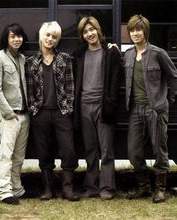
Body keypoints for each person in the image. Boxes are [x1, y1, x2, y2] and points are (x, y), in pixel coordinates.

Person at [124, 15, 177, 203]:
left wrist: (168, 100)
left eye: (138, 29)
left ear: (145, 31)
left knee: (159, 150)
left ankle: (160, 189)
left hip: (156, 109)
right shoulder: (128, 54)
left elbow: (173, 76)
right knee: (133, 152)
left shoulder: (158, 53)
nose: (135, 33)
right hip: (135, 109)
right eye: (132, 30)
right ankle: (144, 187)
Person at [26, 21, 79, 202]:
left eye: (54, 37)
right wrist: (33, 109)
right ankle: (48, 189)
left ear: (57, 40)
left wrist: (68, 108)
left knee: (68, 150)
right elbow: (29, 89)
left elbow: (71, 86)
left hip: (61, 112)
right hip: (40, 113)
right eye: (47, 35)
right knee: (43, 151)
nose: (50, 39)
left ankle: (67, 189)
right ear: (42, 36)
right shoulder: (31, 62)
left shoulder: (65, 59)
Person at [73, 16, 121, 200]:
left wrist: (110, 101)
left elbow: (117, 80)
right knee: (90, 149)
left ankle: (107, 187)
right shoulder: (79, 55)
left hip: (104, 106)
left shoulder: (110, 53)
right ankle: (91, 186)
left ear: (98, 30)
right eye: (85, 32)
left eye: (92, 29)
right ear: (82, 35)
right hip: (84, 106)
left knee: (106, 149)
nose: (89, 34)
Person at [0, 23, 29, 205]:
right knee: (6, 154)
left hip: (24, 114)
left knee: (19, 156)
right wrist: (7, 112)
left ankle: (17, 188)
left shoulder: (22, 58)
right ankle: (5, 191)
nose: (16, 39)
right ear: (6, 38)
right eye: (13, 36)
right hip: (9, 115)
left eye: (19, 36)